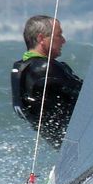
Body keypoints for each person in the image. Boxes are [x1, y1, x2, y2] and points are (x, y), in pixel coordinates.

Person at [11, 14, 83, 147]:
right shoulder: (44, 68)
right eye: (59, 35)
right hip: (86, 141)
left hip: (68, 144)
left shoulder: (20, 69)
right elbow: (89, 95)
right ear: (41, 39)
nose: (63, 41)